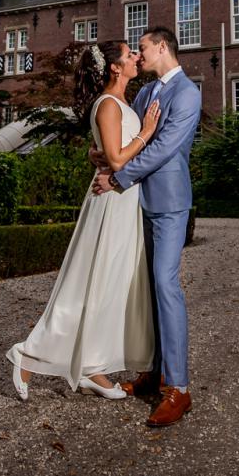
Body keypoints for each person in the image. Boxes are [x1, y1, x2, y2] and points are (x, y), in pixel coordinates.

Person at [6, 40, 161, 400]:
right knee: (88, 283)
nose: (136, 57)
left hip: (124, 202)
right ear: (115, 68)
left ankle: (94, 368)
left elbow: (107, 152)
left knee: (111, 287)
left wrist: (102, 152)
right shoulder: (108, 104)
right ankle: (28, 355)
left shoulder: (121, 102)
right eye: (129, 55)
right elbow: (119, 161)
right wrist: (146, 133)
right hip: (110, 203)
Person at [92, 27, 202, 428]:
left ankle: (179, 388)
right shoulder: (145, 93)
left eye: (142, 49)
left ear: (161, 47)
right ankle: (154, 372)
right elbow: (127, 140)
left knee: (166, 284)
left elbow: (163, 146)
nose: (138, 56)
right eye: (134, 52)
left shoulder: (187, 92)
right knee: (149, 288)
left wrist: (118, 178)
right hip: (138, 202)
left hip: (170, 203)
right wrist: (103, 157)